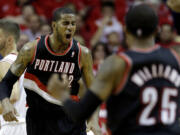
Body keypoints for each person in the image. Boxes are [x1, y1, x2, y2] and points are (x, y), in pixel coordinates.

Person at [47, 4, 180, 135]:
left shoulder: (118, 63)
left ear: (125, 29)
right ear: (157, 30)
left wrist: (63, 95)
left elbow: (79, 114)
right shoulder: (176, 58)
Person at [0, 7, 94, 135]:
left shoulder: (83, 53)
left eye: (73, 24)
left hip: (71, 119)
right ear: (54, 25)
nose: (70, 27)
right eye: (65, 23)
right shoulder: (31, 50)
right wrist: (5, 101)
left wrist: (94, 120)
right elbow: (6, 82)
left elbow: (94, 91)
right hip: (39, 120)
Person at [0, 20, 27, 135]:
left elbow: (12, 95)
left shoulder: (6, 62)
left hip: (13, 125)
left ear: (10, 40)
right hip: (26, 124)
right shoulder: (24, 61)